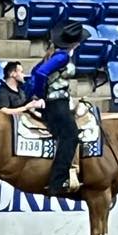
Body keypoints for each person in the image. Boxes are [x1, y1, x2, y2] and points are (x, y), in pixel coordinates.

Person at [26, 21, 87, 195]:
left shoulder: (54, 54)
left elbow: (36, 72)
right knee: (71, 136)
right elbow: (40, 73)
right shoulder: (62, 57)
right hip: (56, 104)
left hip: (56, 102)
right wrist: (40, 95)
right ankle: (57, 182)